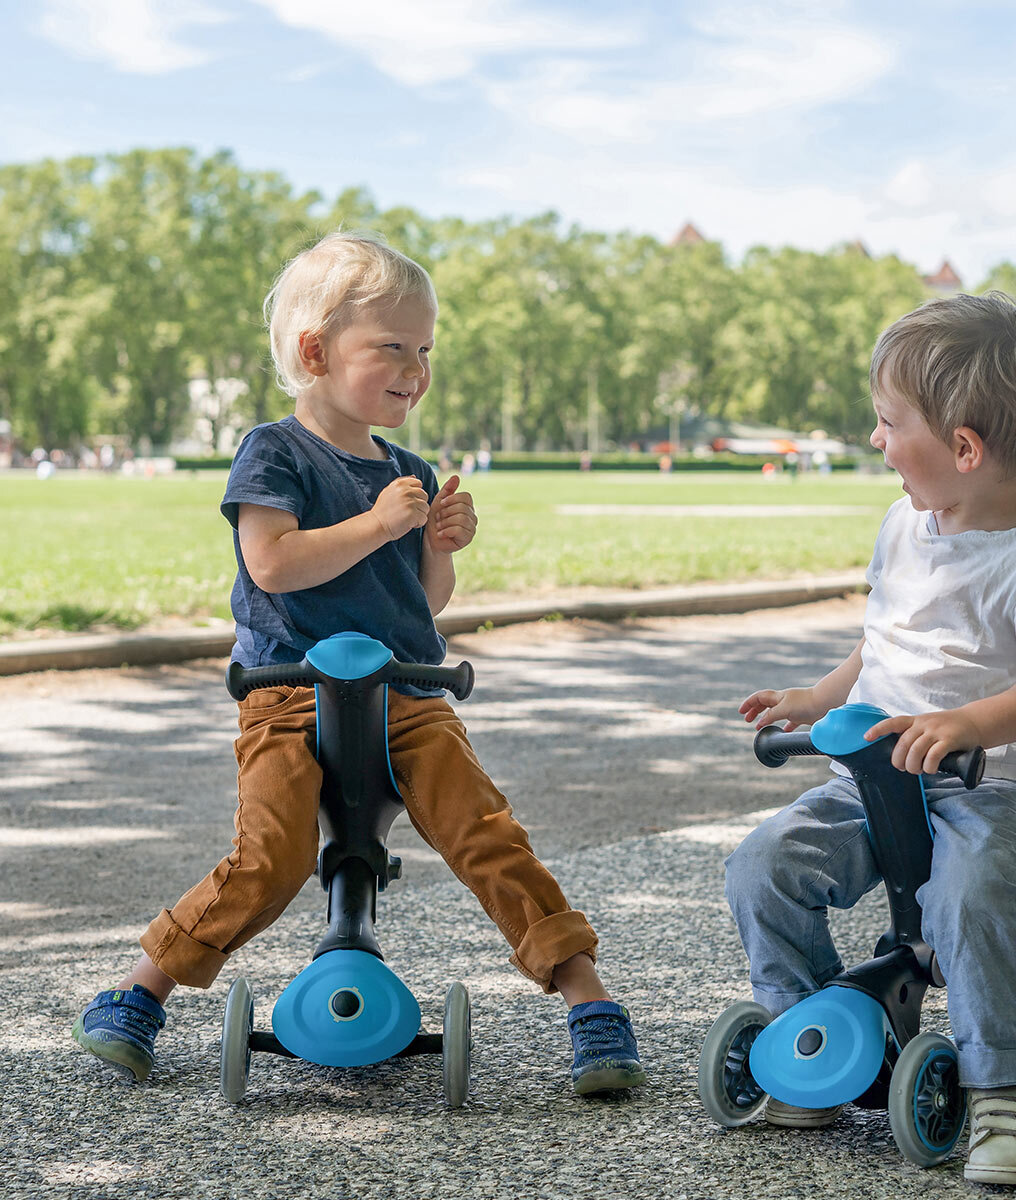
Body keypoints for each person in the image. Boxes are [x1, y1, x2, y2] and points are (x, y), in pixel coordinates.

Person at [71, 231, 646, 1098]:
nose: (415, 369)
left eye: (425, 351)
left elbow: (423, 605)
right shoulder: (275, 453)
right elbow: (274, 563)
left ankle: (586, 998)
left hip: (408, 693)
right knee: (271, 854)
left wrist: (438, 547)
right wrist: (380, 524)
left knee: (485, 833)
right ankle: (141, 988)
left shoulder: (407, 471)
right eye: (391, 347)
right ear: (315, 352)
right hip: (287, 693)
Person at [726, 292, 1016, 1188]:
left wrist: (968, 723)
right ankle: (814, 1041)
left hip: (988, 788)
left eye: (891, 424)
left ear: (964, 448)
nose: (879, 440)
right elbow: (885, 637)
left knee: (968, 900)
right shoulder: (903, 525)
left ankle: (1008, 1096)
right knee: (761, 865)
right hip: (869, 776)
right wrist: (820, 694)